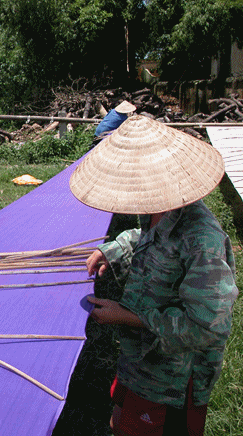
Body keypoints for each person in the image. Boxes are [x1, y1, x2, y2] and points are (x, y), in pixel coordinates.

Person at [69, 115, 238, 436]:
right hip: (140, 362)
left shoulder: (202, 240)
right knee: (120, 420)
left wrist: (130, 317)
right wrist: (114, 248)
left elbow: (206, 326)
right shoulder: (160, 210)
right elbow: (147, 240)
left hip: (172, 380)